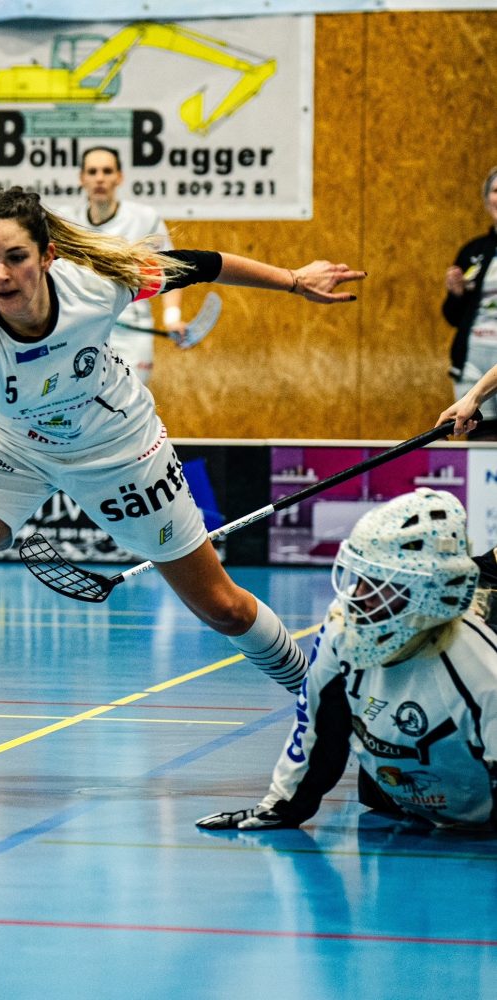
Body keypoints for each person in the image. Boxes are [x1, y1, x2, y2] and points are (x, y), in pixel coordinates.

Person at [0, 185, 365, 795]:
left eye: (15, 257)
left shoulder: (99, 282)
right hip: (13, 442)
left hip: (119, 449)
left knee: (221, 606)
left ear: (48, 255)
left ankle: (335, 708)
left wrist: (293, 280)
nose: (0, 276)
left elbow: (203, 264)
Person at [197, 489, 497, 832]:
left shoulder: (480, 667)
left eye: (379, 581)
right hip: (391, 801)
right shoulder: (343, 626)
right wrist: (281, 807)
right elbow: (318, 726)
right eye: (360, 577)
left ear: (428, 589)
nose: (358, 596)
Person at [62, 147, 190, 386]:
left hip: (132, 332)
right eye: (92, 171)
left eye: (107, 171)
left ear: (119, 177)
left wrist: (172, 318)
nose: (100, 178)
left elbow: (171, 271)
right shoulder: (67, 223)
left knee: (126, 410)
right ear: (82, 178)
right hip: (82, 331)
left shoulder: (145, 219)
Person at [443, 166, 497, 439]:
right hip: (475, 361)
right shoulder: (473, 252)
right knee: (482, 443)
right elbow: (453, 316)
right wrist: (457, 294)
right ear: (487, 199)